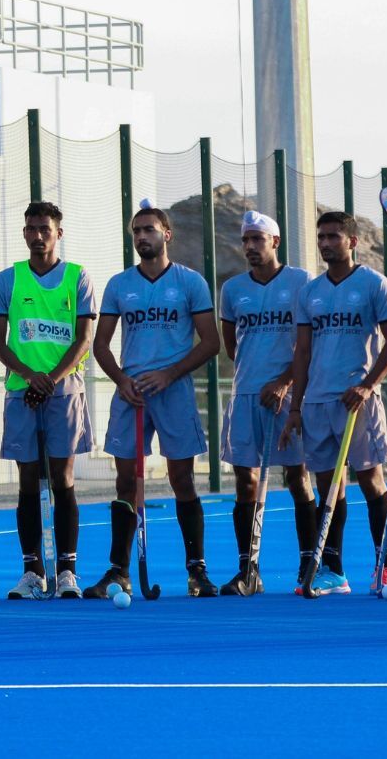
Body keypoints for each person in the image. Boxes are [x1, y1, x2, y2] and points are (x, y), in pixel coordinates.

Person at [89, 202, 221, 599]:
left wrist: (168, 374)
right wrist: (121, 380)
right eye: (136, 232)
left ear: (167, 234)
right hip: (131, 393)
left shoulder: (189, 282)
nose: (142, 237)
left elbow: (211, 343)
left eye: (149, 229)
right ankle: (118, 571)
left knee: (182, 478)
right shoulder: (118, 284)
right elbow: (100, 345)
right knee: (126, 480)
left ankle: (197, 571)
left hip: (174, 390)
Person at [280, 211, 387, 596]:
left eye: (334, 236)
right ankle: (333, 571)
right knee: (329, 485)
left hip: (356, 401)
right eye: (321, 237)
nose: (326, 243)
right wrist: (296, 406)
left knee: (370, 479)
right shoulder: (310, 292)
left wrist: (368, 385)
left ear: (352, 241)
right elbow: (302, 352)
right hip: (317, 401)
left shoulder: (374, 284)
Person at [0, 201, 94, 599]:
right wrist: (30, 376)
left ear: (58, 234)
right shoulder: (7, 280)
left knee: (64, 479)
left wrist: (49, 378)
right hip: (22, 391)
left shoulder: (78, 277)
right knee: (28, 482)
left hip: (63, 390)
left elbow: (83, 340)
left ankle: (67, 571)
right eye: (30, 229)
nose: (37, 236)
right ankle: (33, 572)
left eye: (44, 230)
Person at [217, 211, 312, 595]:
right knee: (246, 481)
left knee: (297, 478)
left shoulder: (301, 282)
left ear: (275, 241)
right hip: (246, 396)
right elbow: (230, 344)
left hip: (290, 397)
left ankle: (310, 563)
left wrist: (284, 381)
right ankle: (247, 570)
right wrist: (256, 379)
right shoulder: (232, 289)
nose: (251, 247)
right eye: (246, 241)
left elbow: (308, 344)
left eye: (258, 239)